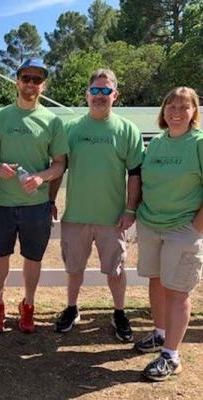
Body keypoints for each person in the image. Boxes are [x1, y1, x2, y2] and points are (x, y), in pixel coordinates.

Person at [52, 69, 143, 342]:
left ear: (115, 95)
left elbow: (135, 173)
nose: (99, 96)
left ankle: (118, 312)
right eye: (95, 90)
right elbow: (58, 167)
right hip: (76, 215)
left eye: (106, 91)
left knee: (116, 270)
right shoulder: (71, 129)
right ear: (87, 94)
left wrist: (130, 209)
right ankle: (71, 308)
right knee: (74, 269)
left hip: (112, 218)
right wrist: (49, 200)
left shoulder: (127, 130)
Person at [0, 59, 68, 333]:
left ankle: (28, 305)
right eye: (26, 78)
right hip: (3, 202)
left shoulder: (52, 121)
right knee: (0, 256)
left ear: (42, 85)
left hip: (37, 204)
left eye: (36, 79)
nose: (31, 84)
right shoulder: (0, 118)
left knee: (33, 258)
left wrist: (40, 178)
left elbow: (59, 163)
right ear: (17, 81)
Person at [134, 87, 202, 381]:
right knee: (156, 281)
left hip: (182, 228)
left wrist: (196, 227)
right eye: (170, 106)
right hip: (151, 225)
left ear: (194, 112)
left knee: (178, 291)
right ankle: (160, 334)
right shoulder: (157, 143)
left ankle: (171, 355)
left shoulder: (198, 143)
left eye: (183, 107)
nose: (175, 112)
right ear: (163, 111)